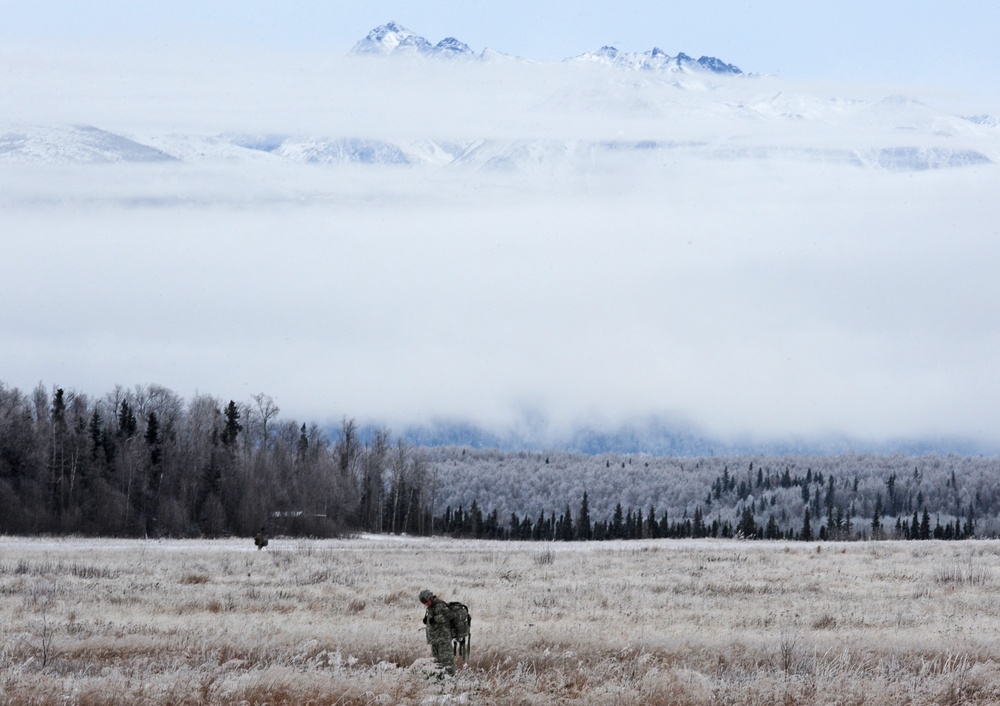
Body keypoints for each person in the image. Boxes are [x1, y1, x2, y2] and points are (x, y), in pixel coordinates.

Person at [419, 589, 455, 676]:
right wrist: (427, 620)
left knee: (447, 662)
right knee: (437, 663)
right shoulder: (430, 607)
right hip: (435, 640)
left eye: (427, 602)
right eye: (425, 603)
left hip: (443, 639)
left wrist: (435, 619)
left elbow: (450, 615)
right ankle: (441, 679)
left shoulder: (440, 605)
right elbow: (432, 620)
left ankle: (451, 680)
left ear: (431, 598)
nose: (426, 604)